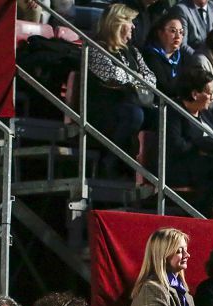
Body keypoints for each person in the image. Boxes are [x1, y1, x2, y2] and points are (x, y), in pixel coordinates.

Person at [87, 4, 158, 178]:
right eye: (131, 22)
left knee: (160, 117)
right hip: (105, 106)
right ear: (117, 23)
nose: (134, 26)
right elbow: (112, 74)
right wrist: (136, 78)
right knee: (135, 115)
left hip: (130, 102)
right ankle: (109, 160)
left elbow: (151, 78)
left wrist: (132, 77)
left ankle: (148, 169)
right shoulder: (95, 48)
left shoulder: (132, 51)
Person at [165, 68, 213, 217]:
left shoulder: (207, 114)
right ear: (195, 94)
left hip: (208, 163)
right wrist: (200, 145)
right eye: (209, 92)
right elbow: (175, 145)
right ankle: (204, 213)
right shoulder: (174, 112)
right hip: (183, 167)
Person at [141, 14, 193, 95]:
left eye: (181, 32)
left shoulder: (184, 56)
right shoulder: (150, 55)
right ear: (160, 33)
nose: (178, 36)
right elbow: (164, 87)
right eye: (173, 31)